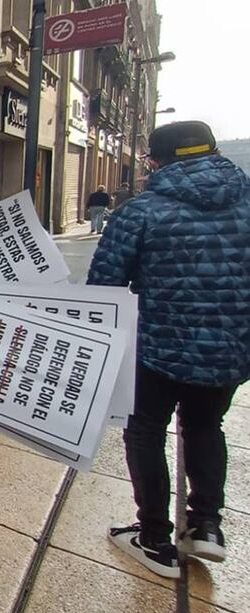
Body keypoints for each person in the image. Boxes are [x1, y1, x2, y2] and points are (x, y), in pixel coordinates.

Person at [88, 121, 250, 579]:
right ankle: (205, 526)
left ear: (155, 162)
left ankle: (155, 535)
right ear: (214, 152)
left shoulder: (141, 212)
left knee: (145, 432)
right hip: (231, 351)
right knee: (204, 427)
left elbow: (103, 287)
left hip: (155, 351)